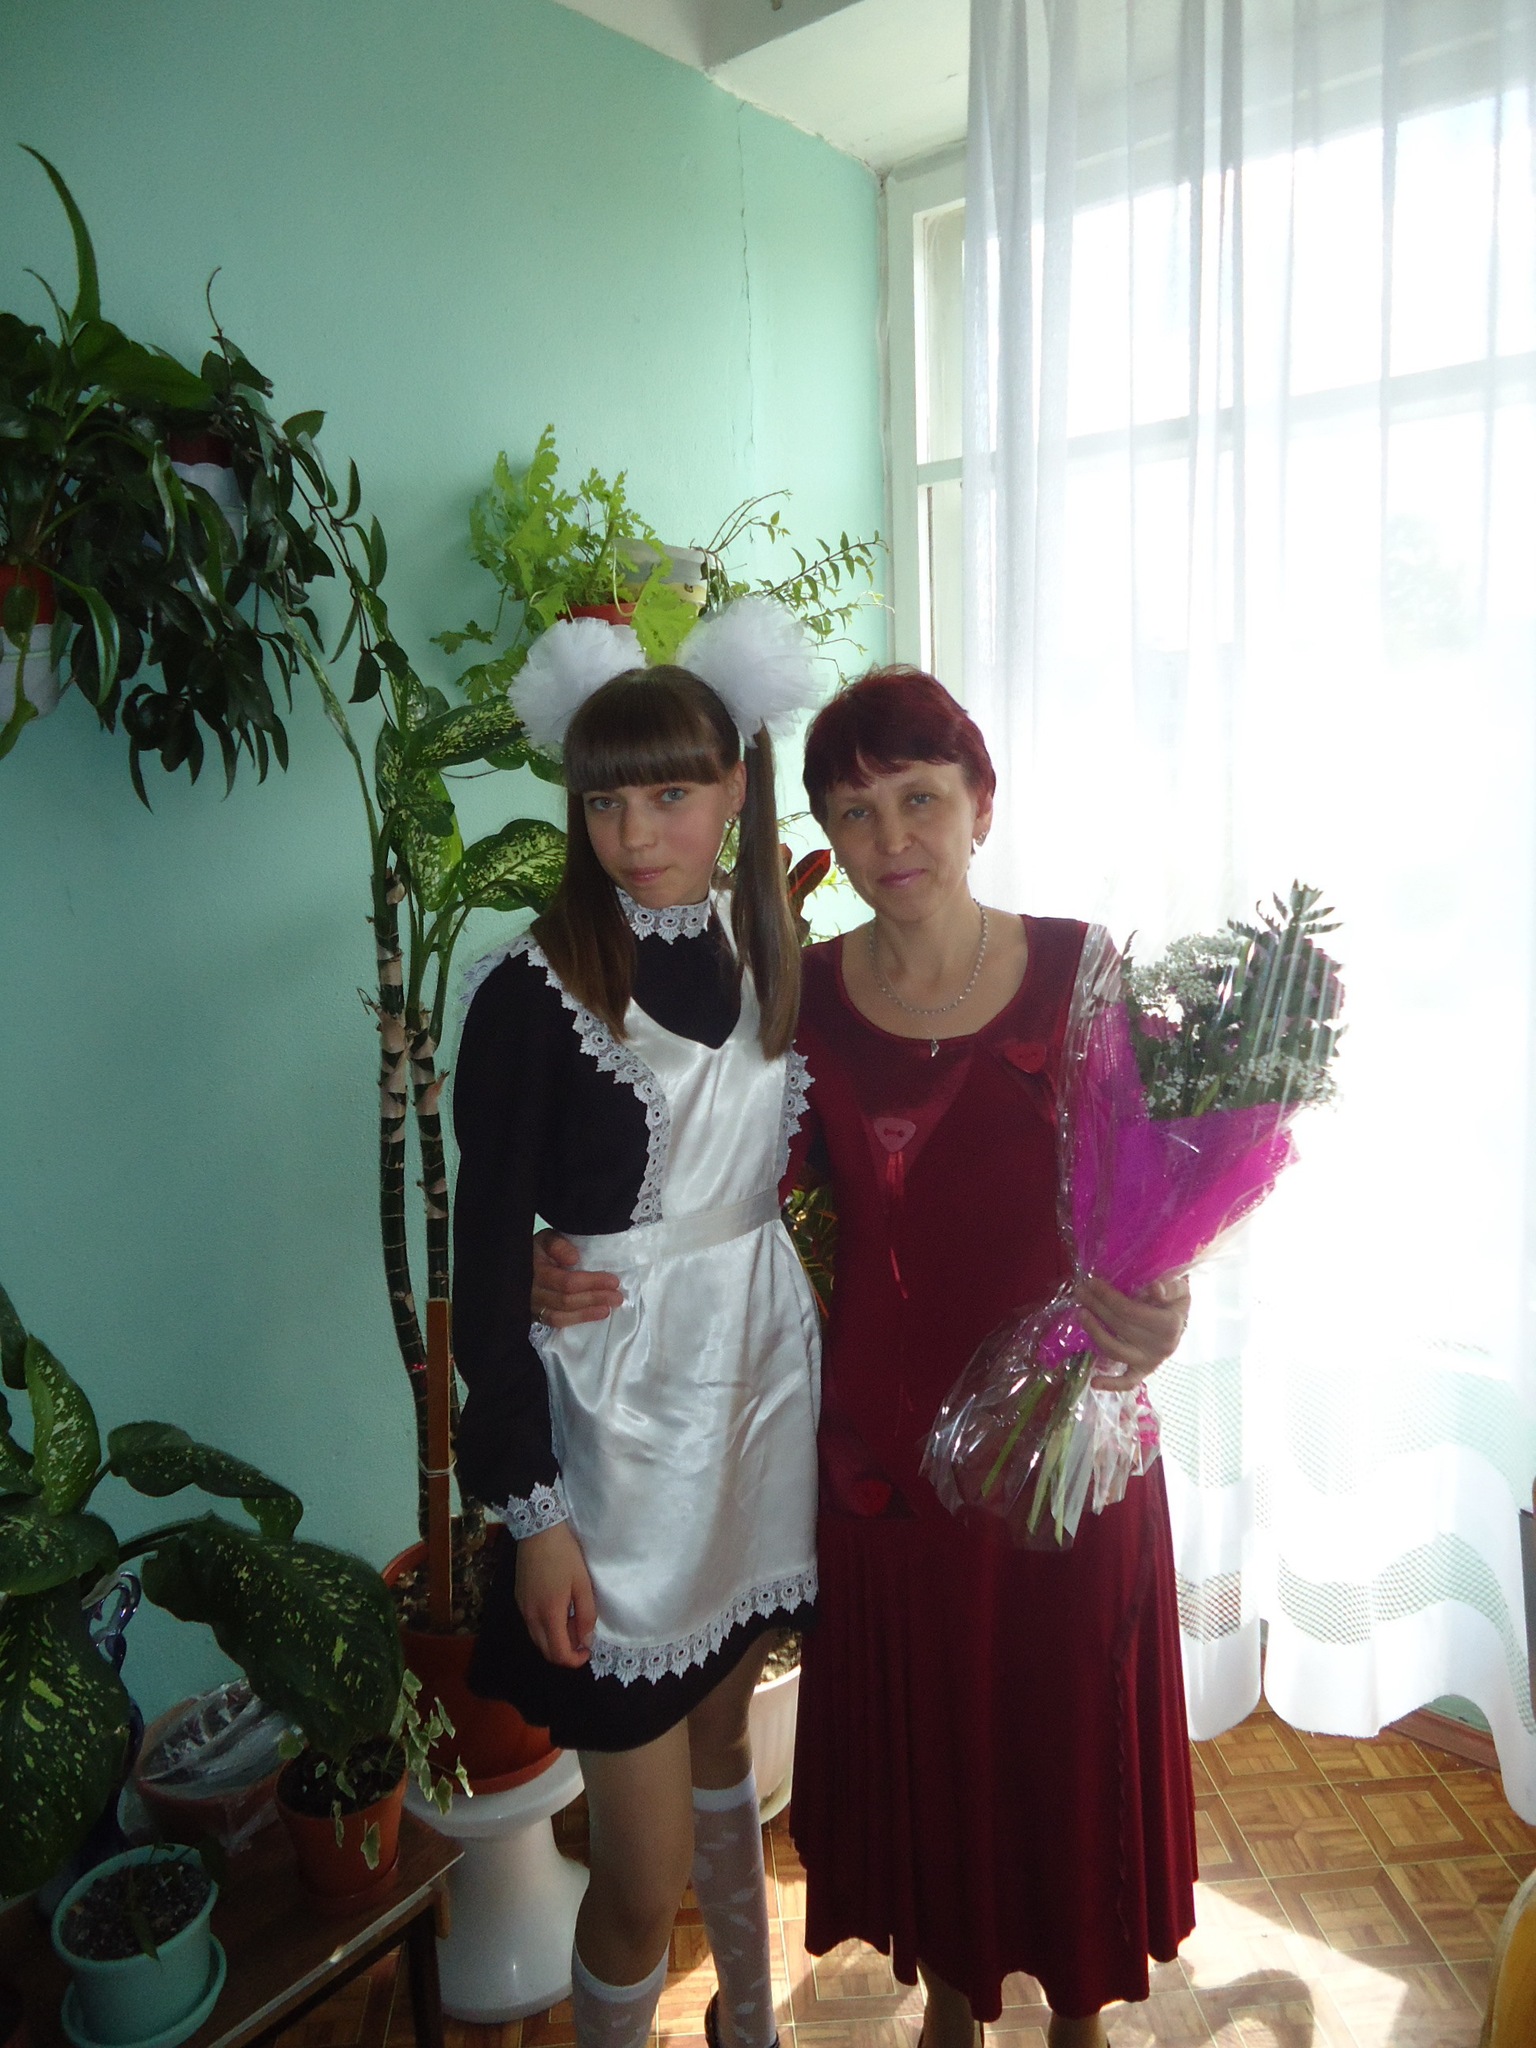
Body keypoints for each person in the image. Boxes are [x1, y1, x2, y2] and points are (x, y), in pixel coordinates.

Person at [534, 667, 1196, 2048]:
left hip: (1061, 1445)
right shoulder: (806, 993)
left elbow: (1155, 1199)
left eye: (920, 800)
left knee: (1061, 1738)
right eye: (855, 812)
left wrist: (1168, 1305)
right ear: (825, 835)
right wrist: (571, 1251)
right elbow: (714, 1183)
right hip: (886, 1461)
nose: (891, 838)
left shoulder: (1080, 969)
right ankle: (950, 2006)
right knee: (937, 1750)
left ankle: (1079, 2015)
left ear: (980, 804)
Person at [452, 602, 825, 2048]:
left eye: (670, 793)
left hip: (753, 1402)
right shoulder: (529, 993)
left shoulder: (770, 947)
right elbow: (488, 1257)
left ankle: (750, 2022)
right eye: (605, 801)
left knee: (731, 1737)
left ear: (737, 787)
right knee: (639, 1868)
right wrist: (533, 1516)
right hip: (614, 1448)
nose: (634, 832)